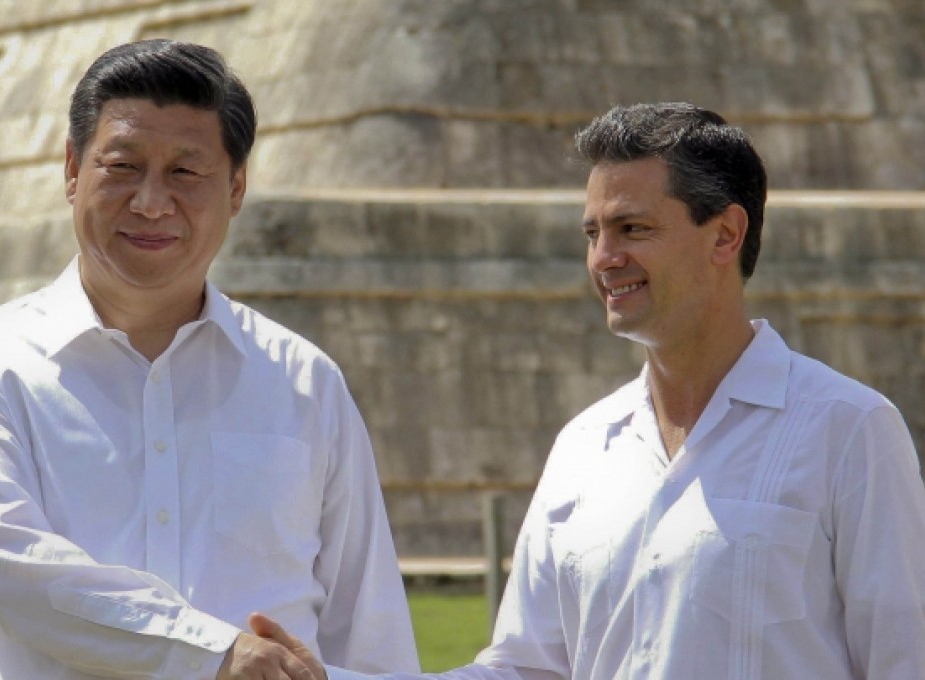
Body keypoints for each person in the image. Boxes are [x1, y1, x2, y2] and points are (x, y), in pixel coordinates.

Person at [253, 102, 925, 679]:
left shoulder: (850, 430)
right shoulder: (583, 446)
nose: (603, 258)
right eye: (593, 232)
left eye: (633, 229)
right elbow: (526, 669)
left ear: (725, 234)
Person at [0, 39, 419, 680]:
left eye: (186, 173)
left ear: (236, 187)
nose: (152, 202)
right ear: (72, 170)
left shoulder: (305, 382)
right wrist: (209, 653)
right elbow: (0, 561)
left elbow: (368, 628)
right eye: (122, 166)